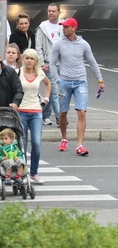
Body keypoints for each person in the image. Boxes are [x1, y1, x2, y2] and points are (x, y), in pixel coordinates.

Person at [50, 18, 105, 156]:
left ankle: (80, 145)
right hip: (64, 82)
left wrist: (100, 80)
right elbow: (52, 64)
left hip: (80, 81)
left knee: (81, 112)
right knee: (63, 112)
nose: (64, 29)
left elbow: (92, 62)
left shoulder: (84, 44)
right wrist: (58, 81)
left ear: (74, 28)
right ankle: (64, 138)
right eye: (63, 27)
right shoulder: (58, 44)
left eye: (67, 27)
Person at [18, 49, 51, 184]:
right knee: (23, 144)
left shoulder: (39, 73)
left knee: (36, 143)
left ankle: (34, 172)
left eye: (32, 58)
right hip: (21, 110)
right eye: (27, 58)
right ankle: (23, 173)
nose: (29, 61)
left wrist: (46, 98)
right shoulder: (17, 73)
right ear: (23, 59)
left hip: (36, 111)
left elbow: (48, 83)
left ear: (35, 61)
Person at [35, 3, 63, 126]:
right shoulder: (43, 27)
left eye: (53, 11)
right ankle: (60, 118)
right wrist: (41, 63)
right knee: (55, 92)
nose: (51, 13)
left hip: (62, 64)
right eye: (49, 11)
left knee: (54, 92)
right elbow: (38, 47)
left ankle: (45, 115)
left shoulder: (63, 26)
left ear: (58, 12)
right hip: (48, 64)